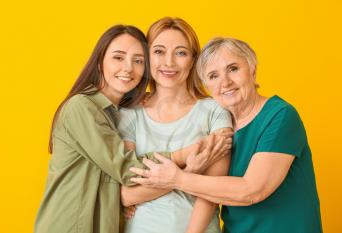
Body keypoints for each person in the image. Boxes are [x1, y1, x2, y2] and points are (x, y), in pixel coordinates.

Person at [34, 25, 227, 233]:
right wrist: (190, 162)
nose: (128, 68)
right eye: (118, 57)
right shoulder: (82, 107)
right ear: (100, 61)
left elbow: (124, 186)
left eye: (138, 61)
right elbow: (128, 170)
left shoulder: (118, 113)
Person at [129, 37, 323, 233]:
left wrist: (177, 178)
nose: (225, 82)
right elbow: (210, 188)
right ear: (207, 86)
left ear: (252, 69)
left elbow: (253, 190)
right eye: (213, 76)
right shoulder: (222, 125)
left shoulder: (279, 116)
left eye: (233, 69)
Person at [118, 17, 233, 233]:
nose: (169, 63)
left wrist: (169, 179)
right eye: (159, 51)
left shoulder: (214, 110)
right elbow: (126, 194)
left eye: (181, 53)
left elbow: (213, 190)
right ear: (147, 57)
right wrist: (191, 170)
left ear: (193, 60)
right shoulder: (129, 114)